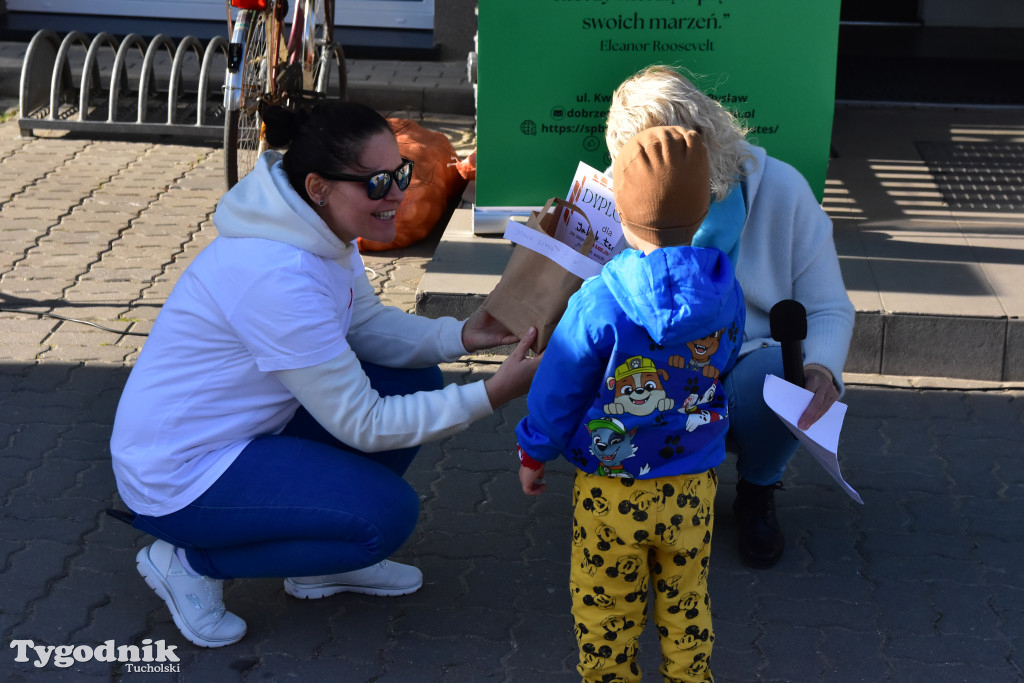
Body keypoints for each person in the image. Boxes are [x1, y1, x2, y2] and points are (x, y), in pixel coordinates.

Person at [109, 100, 540, 648]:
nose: (398, 195)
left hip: (246, 433)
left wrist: (457, 337)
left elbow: (362, 322)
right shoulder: (276, 273)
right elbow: (364, 423)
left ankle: (318, 562)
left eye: (400, 173)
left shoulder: (318, 226)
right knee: (383, 520)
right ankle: (190, 561)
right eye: (378, 182)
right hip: (181, 472)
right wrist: (491, 394)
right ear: (317, 186)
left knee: (412, 378)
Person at [516, 126, 746, 682]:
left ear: (618, 209)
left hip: (611, 487)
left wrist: (534, 450)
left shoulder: (599, 298)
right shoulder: (725, 290)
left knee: (605, 605)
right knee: (687, 601)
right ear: (702, 209)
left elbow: (560, 382)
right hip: (693, 486)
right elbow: (726, 359)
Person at [605, 65, 855, 569]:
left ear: (708, 137)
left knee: (781, 376)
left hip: (745, 362)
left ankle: (757, 489)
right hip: (649, 366)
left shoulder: (781, 188)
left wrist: (821, 370)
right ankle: (634, 488)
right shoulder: (617, 188)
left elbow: (828, 305)